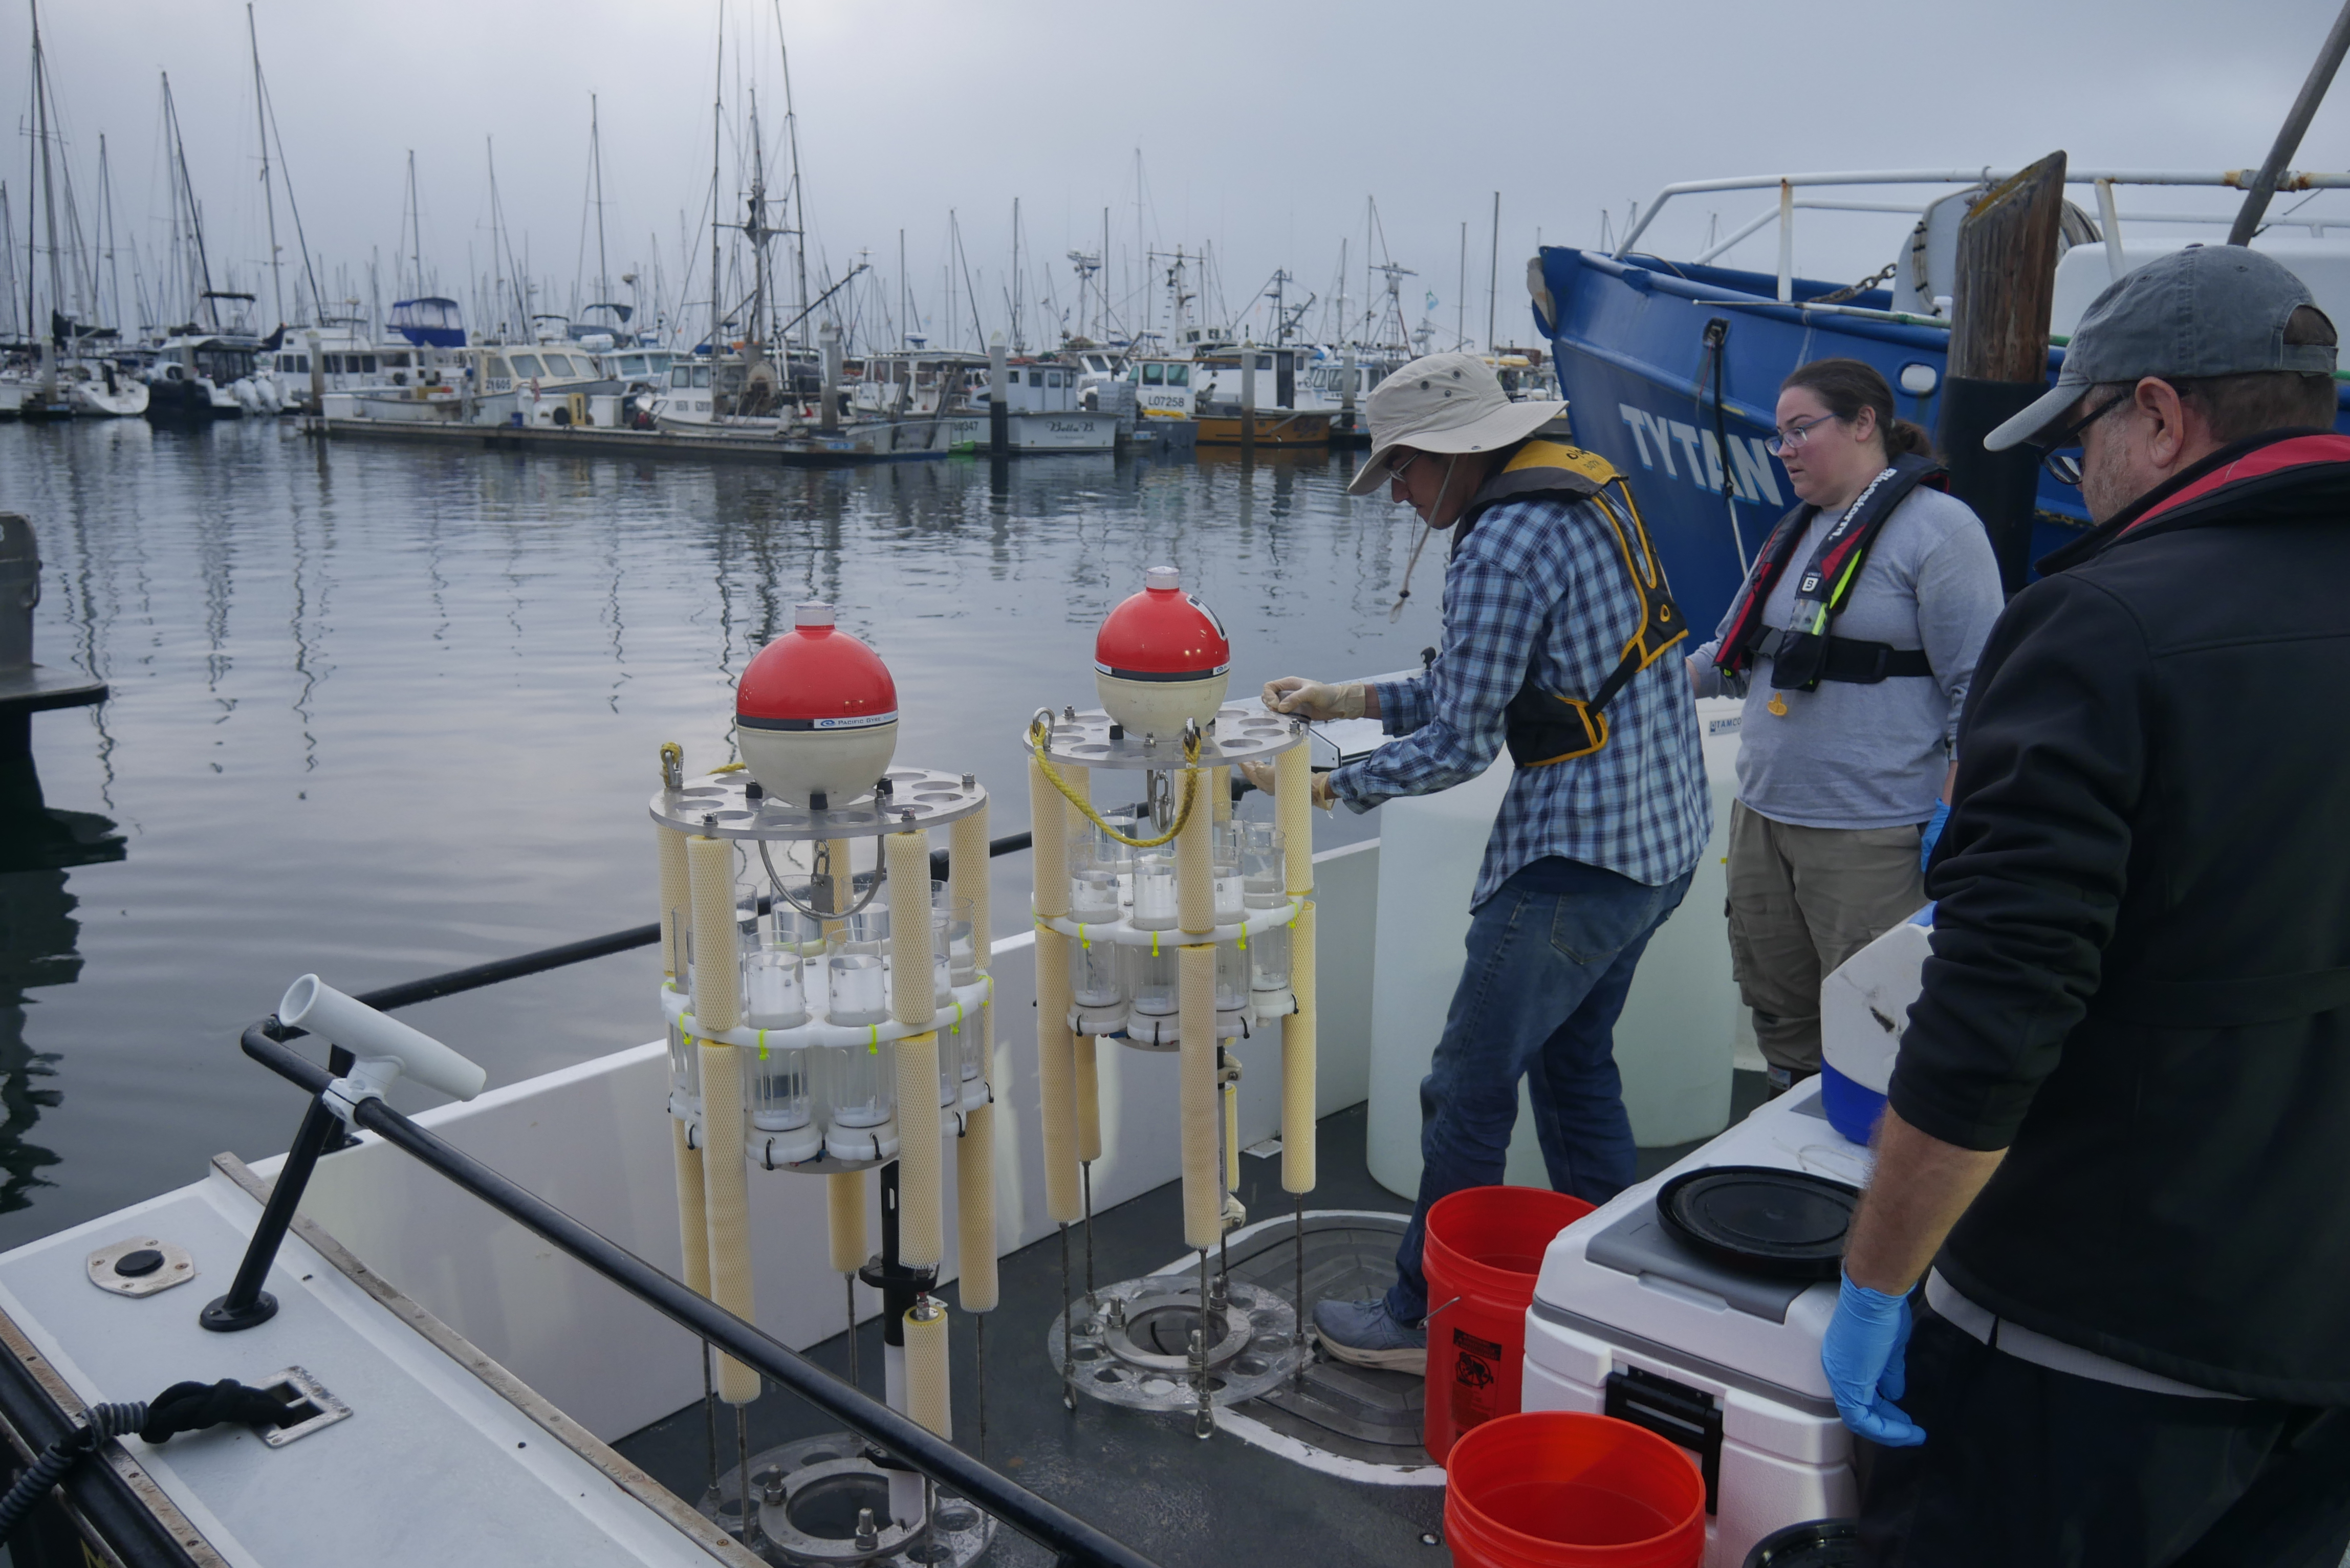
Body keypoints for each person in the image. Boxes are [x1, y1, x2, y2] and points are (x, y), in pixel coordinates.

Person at [1823, 245, 2350, 1564]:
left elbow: (1997, 1012)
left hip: (2095, 1336)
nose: (2076, 472)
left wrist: (1877, 1277)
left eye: (2086, 433)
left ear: (2161, 414)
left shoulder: (2099, 624)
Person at [1241, 353, 1709, 1369]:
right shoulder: (1583, 487)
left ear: (1452, 457)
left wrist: (1321, 788)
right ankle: (1614, 1290)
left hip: (1576, 860)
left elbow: (1461, 741)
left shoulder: (1499, 544)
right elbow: (1498, 686)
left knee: (1464, 1088)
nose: (1398, 496)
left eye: (1401, 473)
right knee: (1575, 1062)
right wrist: (1343, 699)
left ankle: (1418, 1316)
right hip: (1660, 842)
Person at [1689, 360, 2004, 1093]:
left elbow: (1981, 689)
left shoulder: (1941, 530)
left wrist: (1950, 816)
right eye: (1779, 438)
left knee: (1876, 1028)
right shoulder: (1795, 533)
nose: (1787, 449)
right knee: (1782, 1014)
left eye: (1801, 430)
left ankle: (1867, 1190)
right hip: (1763, 822)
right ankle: (1786, 1148)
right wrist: (1626, 687)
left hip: (1870, 835)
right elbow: (1726, 656)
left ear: (1865, 423)